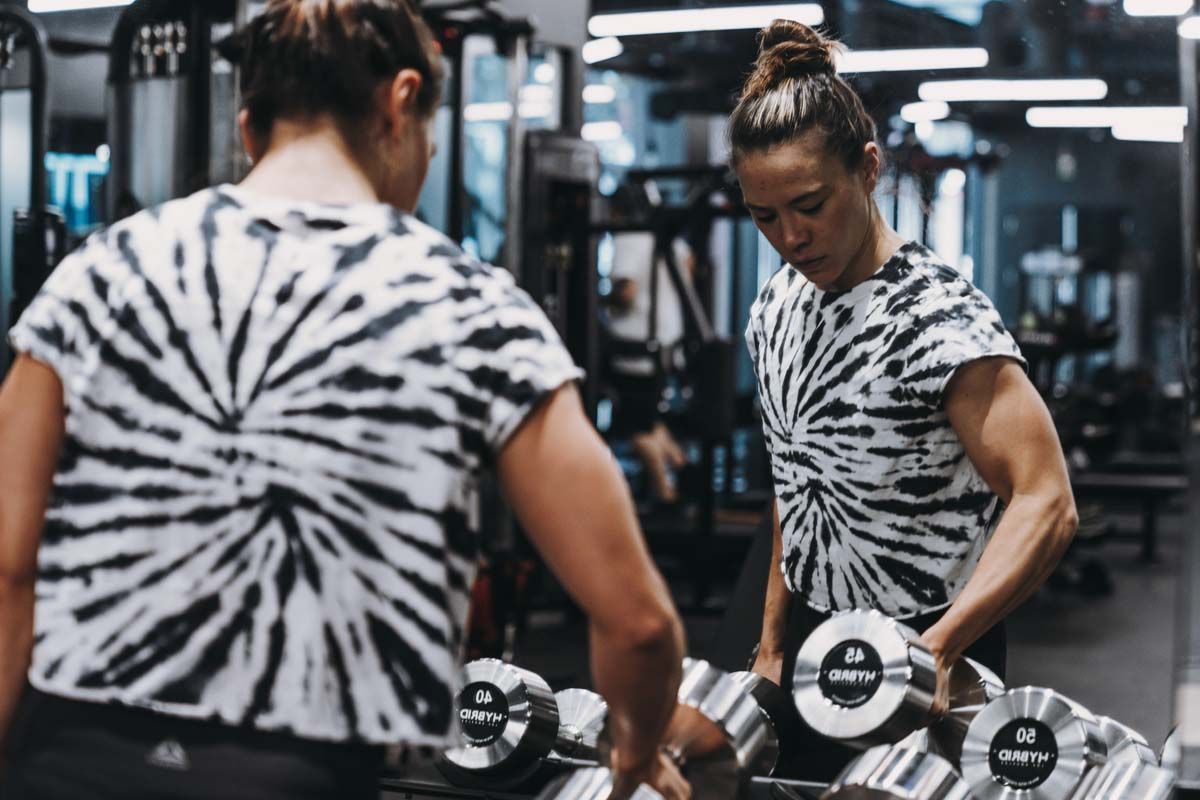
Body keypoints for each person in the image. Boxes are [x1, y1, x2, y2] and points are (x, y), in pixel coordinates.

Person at [0, 2, 688, 798]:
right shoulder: (474, 312)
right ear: (401, 101)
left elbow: (9, 565)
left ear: (249, 125)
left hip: (63, 760)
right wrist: (635, 754)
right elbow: (638, 624)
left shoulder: (97, 274)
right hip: (294, 775)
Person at [732, 21, 1078, 780]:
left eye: (810, 205)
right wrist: (769, 647)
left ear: (868, 170)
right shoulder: (775, 311)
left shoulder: (942, 320)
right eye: (765, 216)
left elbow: (1046, 501)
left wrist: (939, 651)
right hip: (813, 645)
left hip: (931, 641)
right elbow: (801, 485)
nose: (790, 236)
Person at [603, 184, 692, 503]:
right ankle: (681, 464)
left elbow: (625, 293)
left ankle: (667, 494)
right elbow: (690, 271)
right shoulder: (671, 242)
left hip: (636, 346)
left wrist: (599, 299)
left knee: (634, 428)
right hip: (668, 343)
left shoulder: (630, 237)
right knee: (649, 418)